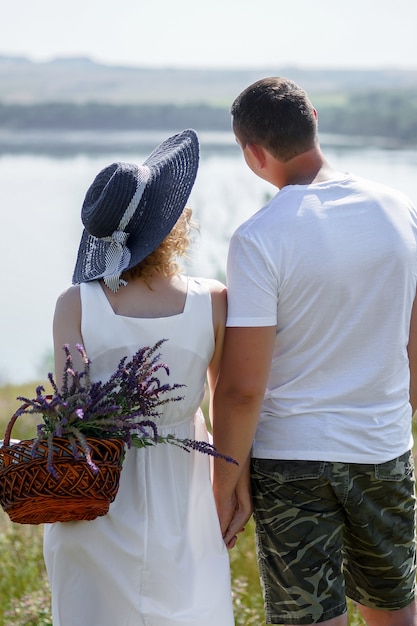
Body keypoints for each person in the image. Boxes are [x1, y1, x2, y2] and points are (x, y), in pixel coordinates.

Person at [212, 77, 417, 626]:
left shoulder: (258, 238)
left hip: (293, 461)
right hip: (383, 446)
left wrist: (225, 482)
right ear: (315, 120)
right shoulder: (400, 211)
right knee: (394, 608)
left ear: (254, 154)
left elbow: (241, 388)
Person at [43, 129, 235, 626]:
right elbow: (229, 400)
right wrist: (235, 486)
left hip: (96, 491)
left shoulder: (76, 303)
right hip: (187, 489)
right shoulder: (214, 299)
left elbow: (72, 407)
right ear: (173, 224)